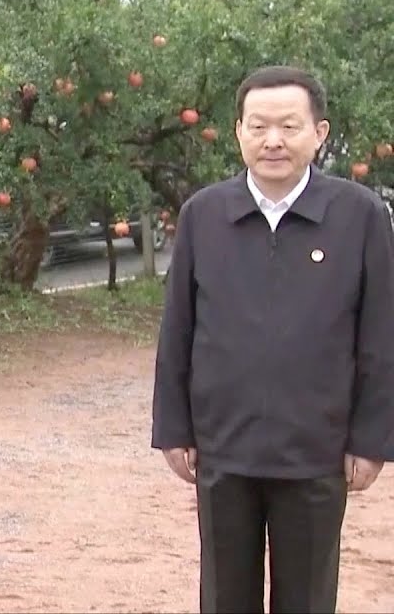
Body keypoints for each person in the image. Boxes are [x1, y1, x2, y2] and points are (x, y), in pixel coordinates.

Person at [152, 64, 394, 613]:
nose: (273, 141)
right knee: (225, 596)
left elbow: (380, 335)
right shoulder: (204, 215)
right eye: (258, 126)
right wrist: (174, 427)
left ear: (320, 132)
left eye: (289, 126)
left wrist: (372, 438)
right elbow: (179, 330)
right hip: (224, 449)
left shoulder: (359, 215)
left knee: (307, 598)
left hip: (316, 452)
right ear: (238, 131)